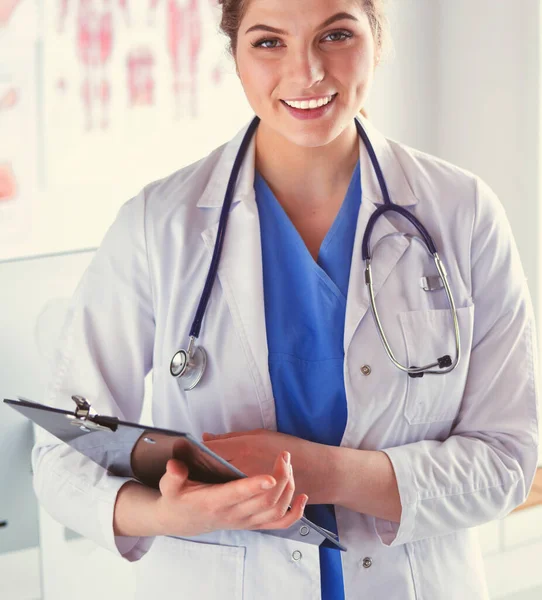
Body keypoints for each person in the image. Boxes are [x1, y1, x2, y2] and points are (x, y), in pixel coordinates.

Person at [32, 0, 540, 598]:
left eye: (335, 35)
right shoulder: (157, 226)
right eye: (269, 42)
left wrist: (317, 471)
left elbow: (508, 461)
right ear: (237, 57)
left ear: (377, 39)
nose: (307, 73)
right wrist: (175, 514)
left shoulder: (462, 212)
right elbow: (63, 455)